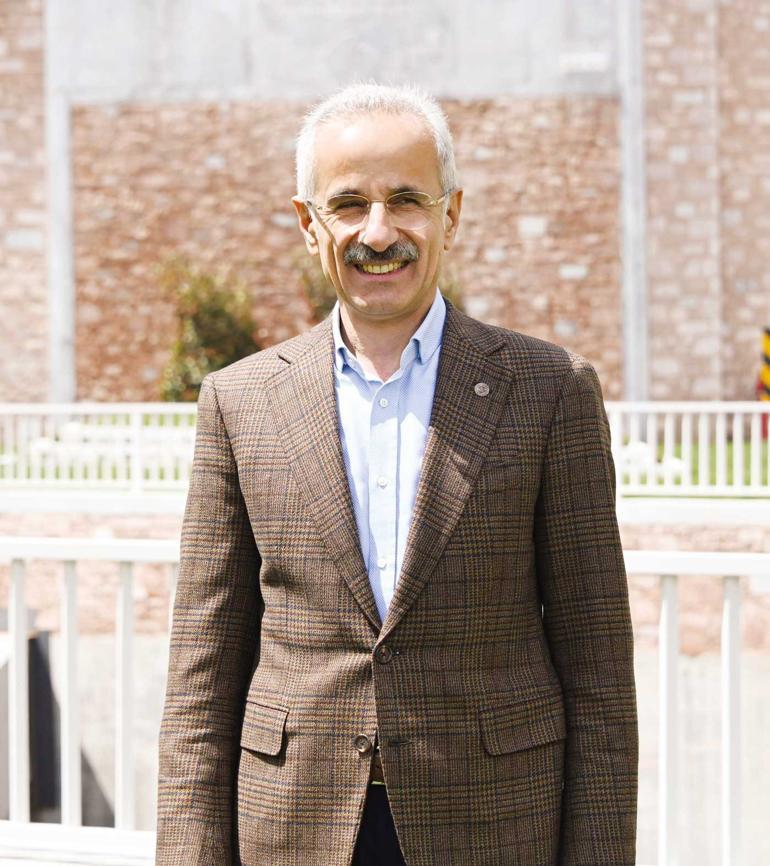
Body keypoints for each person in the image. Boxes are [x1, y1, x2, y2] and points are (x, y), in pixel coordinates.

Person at [155, 82, 638, 866]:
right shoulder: (240, 402)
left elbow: (600, 680)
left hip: (494, 826)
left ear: (451, 214)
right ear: (309, 223)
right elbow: (199, 685)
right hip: (292, 827)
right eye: (349, 204)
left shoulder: (550, 392)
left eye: (406, 199)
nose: (378, 231)